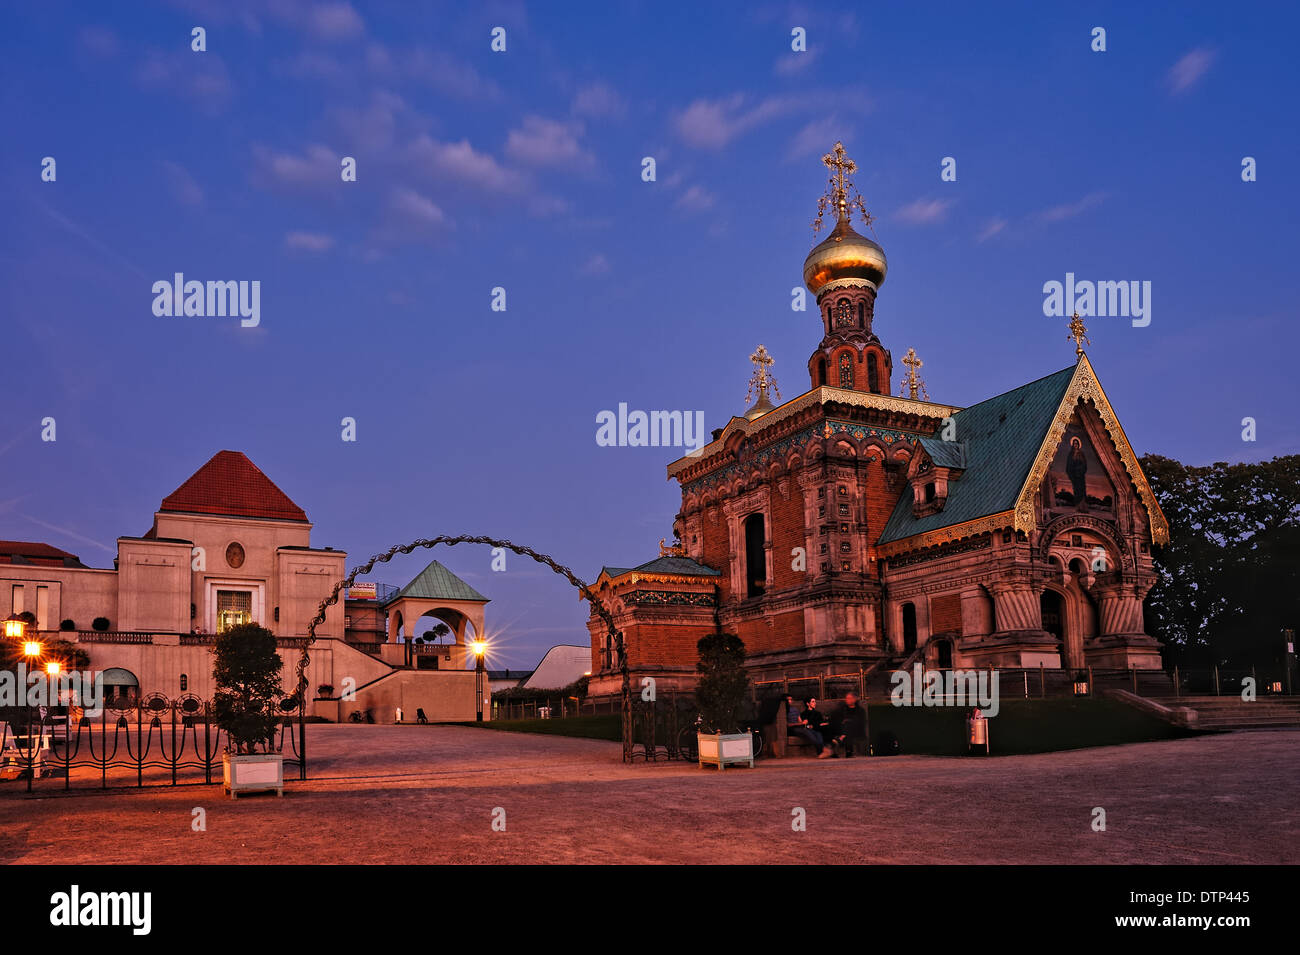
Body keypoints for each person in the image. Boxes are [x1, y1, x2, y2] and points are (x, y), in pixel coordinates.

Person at [831, 691, 869, 757]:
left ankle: (840, 739)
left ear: (854, 699)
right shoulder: (843, 709)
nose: (847, 700)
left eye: (849, 698)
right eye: (846, 698)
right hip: (844, 729)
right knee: (847, 728)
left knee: (848, 726)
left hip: (857, 729)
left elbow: (861, 722)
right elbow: (836, 717)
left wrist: (849, 721)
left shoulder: (860, 710)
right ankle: (848, 751)